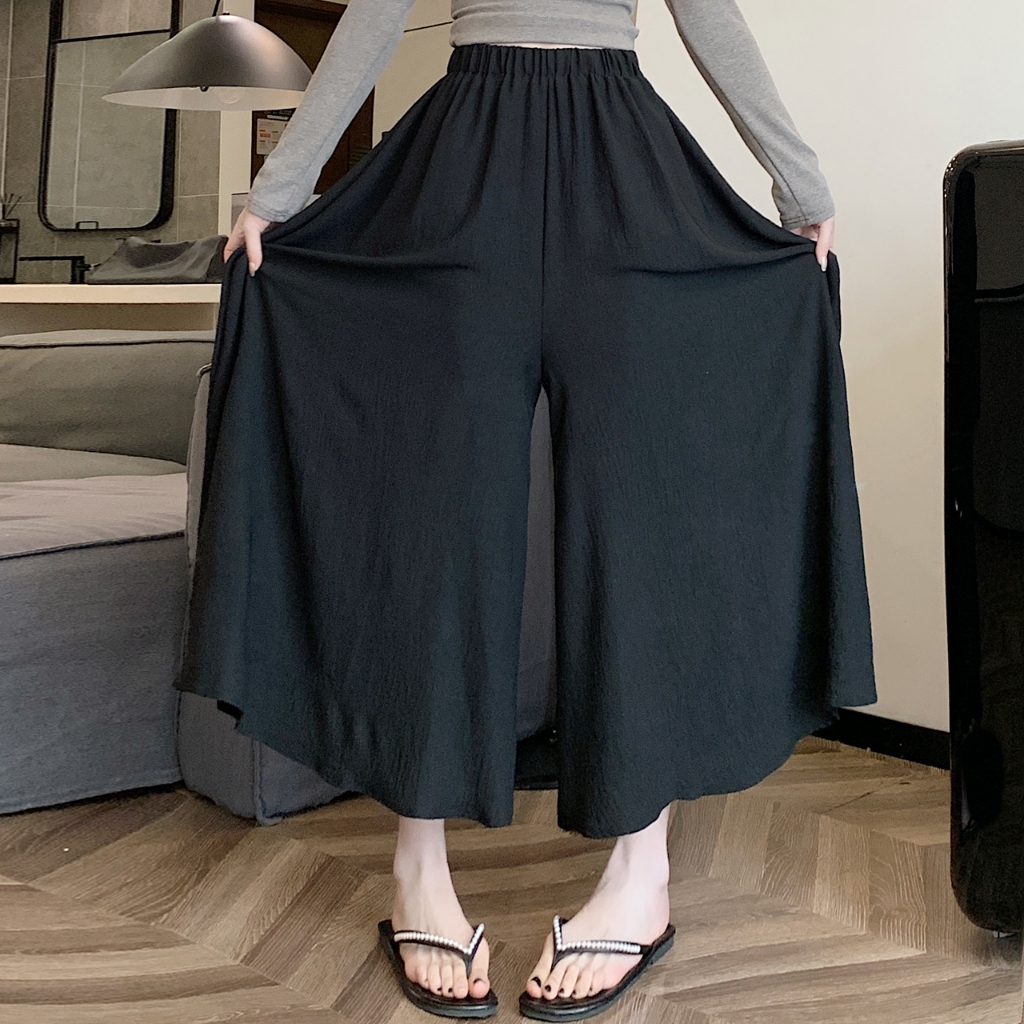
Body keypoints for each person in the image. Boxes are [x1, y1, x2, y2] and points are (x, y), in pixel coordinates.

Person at [177, 0, 876, 1019]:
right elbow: (376, 13)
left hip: (622, 161)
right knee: (427, 516)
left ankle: (641, 874)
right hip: (463, 158)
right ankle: (418, 868)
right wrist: (279, 192)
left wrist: (799, 183)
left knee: (644, 516)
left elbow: (707, 14)